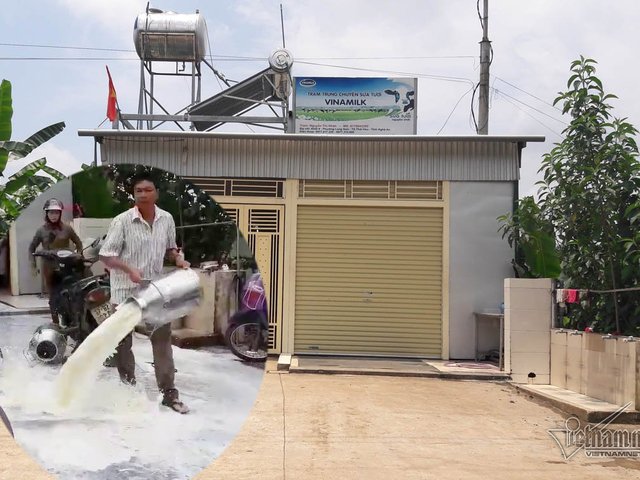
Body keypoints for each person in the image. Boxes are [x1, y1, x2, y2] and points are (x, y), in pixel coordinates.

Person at [99, 172, 191, 414]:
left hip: (154, 291)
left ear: (156, 193)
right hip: (125, 292)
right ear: (133, 194)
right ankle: (128, 389)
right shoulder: (122, 221)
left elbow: (171, 249)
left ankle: (169, 393)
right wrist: (129, 269)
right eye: (138, 190)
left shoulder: (167, 219)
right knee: (122, 343)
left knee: (162, 341)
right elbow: (106, 256)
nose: (143, 194)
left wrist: (179, 259)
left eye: (148, 190)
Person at [28, 198, 83, 324]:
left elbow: (78, 243)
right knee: (53, 296)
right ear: (46, 213)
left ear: (60, 214)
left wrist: (78, 255)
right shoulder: (41, 230)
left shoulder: (67, 228)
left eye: (56, 213)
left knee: (71, 292)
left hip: (67, 266)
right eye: (51, 212)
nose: (54, 215)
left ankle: (73, 321)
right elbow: (31, 248)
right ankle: (55, 323)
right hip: (50, 266)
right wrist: (33, 265)